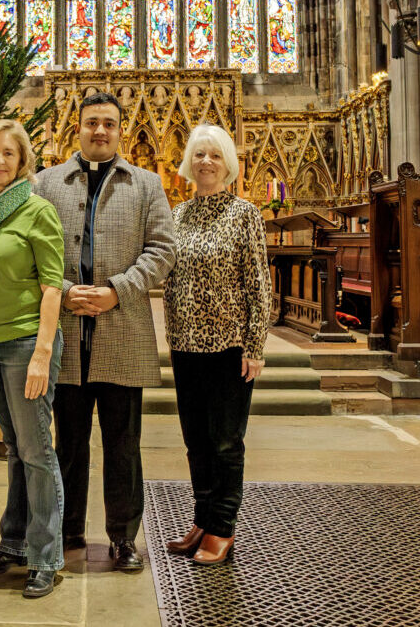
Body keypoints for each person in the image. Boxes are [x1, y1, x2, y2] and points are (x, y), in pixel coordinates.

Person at [36, 92, 176, 572]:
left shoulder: (146, 184)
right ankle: (69, 529)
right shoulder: (46, 183)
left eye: (109, 124)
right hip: (67, 337)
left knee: (123, 446)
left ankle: (122, 537)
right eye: (91, 122)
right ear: (77, 128)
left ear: (121, 130)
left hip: (122, 332)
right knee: (68, 444)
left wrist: (118, 289)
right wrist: (64, 288)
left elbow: (162, 250)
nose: (100, 131)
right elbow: (32, 253)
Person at [0, 119, 66, 599]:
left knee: (37, 452)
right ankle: (14, 542)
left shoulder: (37, 210)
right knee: (14, 448)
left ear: (23, 161)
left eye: (9, 153)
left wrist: (42, 354)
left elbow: (51, 286)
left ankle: (46, 557)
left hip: (26, 343)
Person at [162, 123, 272, 565]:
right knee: (195, 440)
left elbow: (259, 283)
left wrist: (255, 345)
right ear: (188, 162)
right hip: (185, 344)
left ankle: (223, 528)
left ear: (228, 164)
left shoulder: (244, 215)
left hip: (229, 346)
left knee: (226, 440)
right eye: (199, 154)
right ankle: (202, 518)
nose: (206, 162)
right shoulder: (177, 215)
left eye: (215, 155)